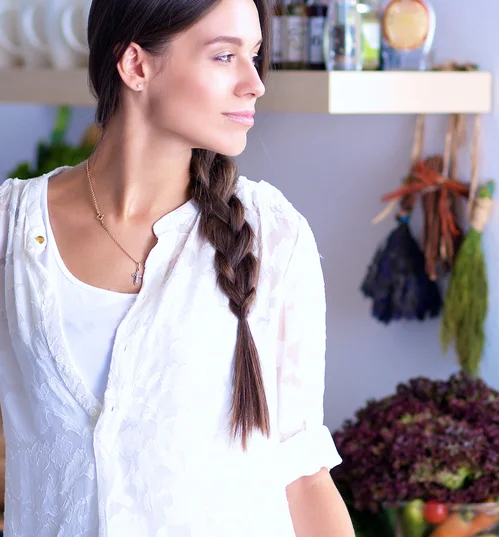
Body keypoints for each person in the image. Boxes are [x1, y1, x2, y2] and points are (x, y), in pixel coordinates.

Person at [0, 0, 355, 535]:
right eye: (224, 56)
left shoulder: (272, 236)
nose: (254, 83)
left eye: (254, 56)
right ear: (136, 65)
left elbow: (303, 475)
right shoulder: (10, 229)